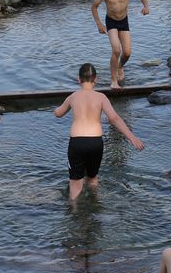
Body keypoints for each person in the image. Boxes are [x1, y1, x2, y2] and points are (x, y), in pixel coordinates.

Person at [53, 63, 145, 201]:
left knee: (76, 182)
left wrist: (55, 109)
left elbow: (58, 113)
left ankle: (75, 212)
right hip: (96, 142)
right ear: (95, 79)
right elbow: (114, 118)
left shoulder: (72, 97)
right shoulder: (101, 97)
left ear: (79, 79)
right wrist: (132, 137)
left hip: (77, 143)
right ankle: (95, 204)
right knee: (92, 178)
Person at [91, 0, 150, 88]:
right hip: (111, 22)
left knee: (127, 53)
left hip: (123, 21)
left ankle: (120, 66)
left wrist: (146, 7)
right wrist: (99, 24)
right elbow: (94, 7)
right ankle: (113, 80)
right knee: (116, 50)